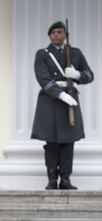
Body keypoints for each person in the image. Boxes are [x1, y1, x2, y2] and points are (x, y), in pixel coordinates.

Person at [31, 21, 94, 190]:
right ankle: (52, 180)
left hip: (70, 99)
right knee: (51, 142)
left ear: (65, 35)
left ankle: (65, 179)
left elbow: (89, 75)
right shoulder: (43, 54)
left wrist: (77, 74)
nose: (56, 35)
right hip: (50, 101)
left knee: (68, 142)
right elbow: (42, 77)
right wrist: (60, 94)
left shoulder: (75, 53)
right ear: (50, 36)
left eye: (59, 32)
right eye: (53, 33)